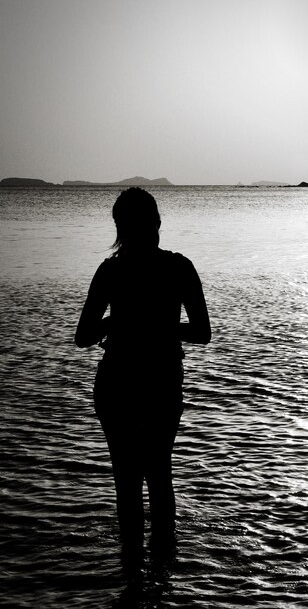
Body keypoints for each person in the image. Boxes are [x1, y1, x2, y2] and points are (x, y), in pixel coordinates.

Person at [75, 187, 211, 555]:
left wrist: (113, 324)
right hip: (162, 382)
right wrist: (162, 329)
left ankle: (131, 574)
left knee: (127, 482)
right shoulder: (179, 267)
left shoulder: (110, 271)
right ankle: (163, 578)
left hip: (117, 381)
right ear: (157, 223)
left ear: (120, 226)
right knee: (159, 475)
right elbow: (202, 332)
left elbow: (83, 337)